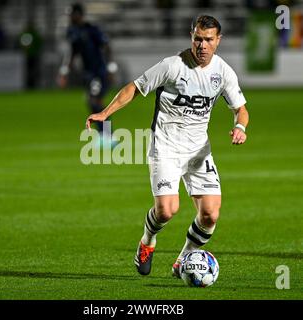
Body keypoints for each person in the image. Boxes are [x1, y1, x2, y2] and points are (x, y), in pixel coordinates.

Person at [86, 15, 249, 277]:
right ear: (191, 37)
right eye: (198, 38)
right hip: (165, 146)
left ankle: (183, 260)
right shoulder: (173, 66)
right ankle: (147, 241)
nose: (202, 45)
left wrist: (240, 127)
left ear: (218, 41)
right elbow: (134, 88)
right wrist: (105, 113)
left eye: (208, 40)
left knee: (210, 215)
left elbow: (241, 110)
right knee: (167, 210)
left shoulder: (223, 72)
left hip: (198, 150)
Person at [59, 2, 117, 136]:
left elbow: (106, 47)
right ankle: (105, 134)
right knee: (91, 101)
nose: (70, 17)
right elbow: (73, 52)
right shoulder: (72, 31)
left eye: (72, 14)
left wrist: (111, 68)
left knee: (95, 100)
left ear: (79, 15)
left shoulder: (92, 29)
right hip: (88, 73)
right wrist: (64, 72)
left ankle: (108, 135)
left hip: (98, 71)